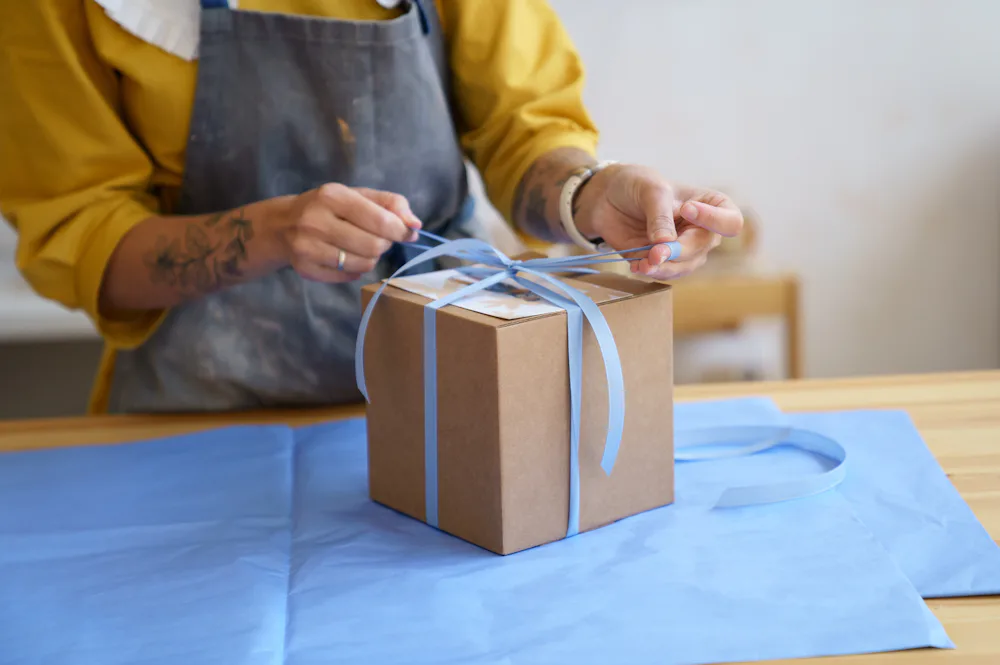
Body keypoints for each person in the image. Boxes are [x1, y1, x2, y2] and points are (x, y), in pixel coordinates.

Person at [0, 0, 743, 414]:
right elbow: (83, 235)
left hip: (445, 398)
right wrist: (268, 232)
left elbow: (525, 130)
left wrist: (586, 194)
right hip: (197, 418)